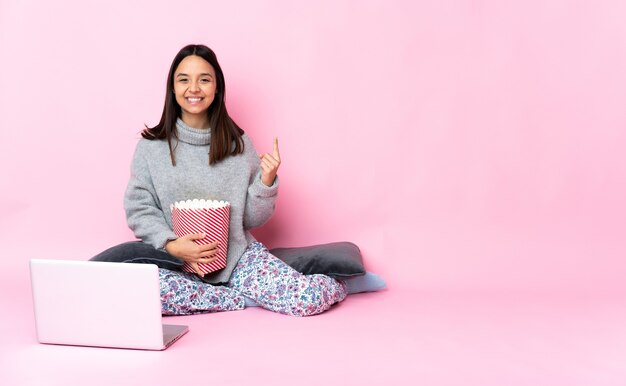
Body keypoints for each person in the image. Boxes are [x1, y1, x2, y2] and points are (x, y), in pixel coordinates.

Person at [91, 44, 346, 317]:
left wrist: (266, 183)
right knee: (139, 294)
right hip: (177, 264)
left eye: (204, 79)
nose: (194, 88)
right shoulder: (151, 147)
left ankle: (343, 284)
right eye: (184, 79)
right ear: (172, 89)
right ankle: (239, 298)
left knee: (305, 300)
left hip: (238, 259)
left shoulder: (238, 144)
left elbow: (249, 219)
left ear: (217, 88)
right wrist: (170, 244)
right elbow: (139, 207)